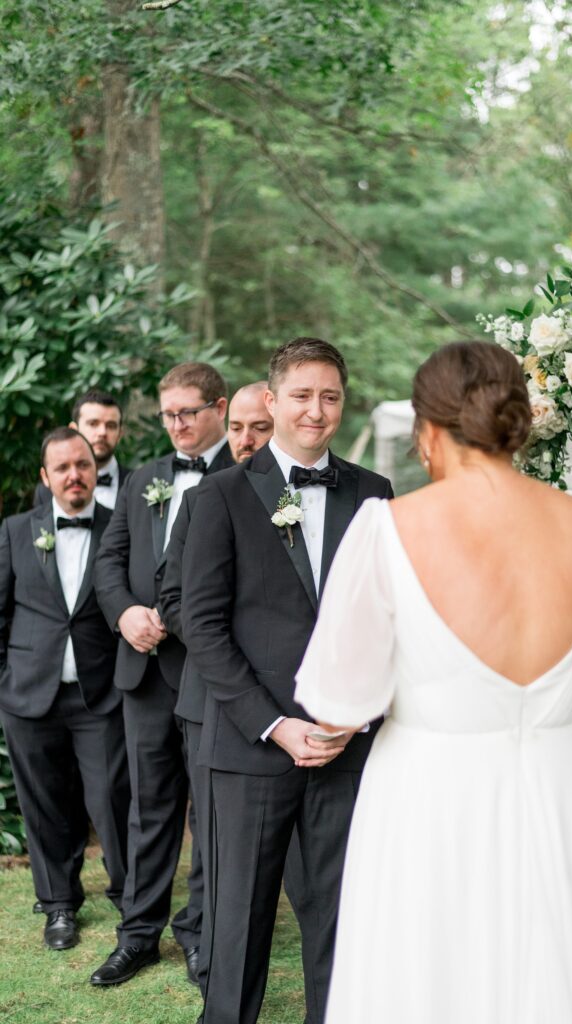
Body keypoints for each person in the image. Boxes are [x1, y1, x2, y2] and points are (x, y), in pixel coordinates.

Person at [295, 340, 572, 1024]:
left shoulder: (387, 527)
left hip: (433, 793)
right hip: (561, 784)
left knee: (434, 979)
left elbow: (340, 701)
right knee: (560, 977)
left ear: (428, 432)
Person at [181, 337, 393, 1024]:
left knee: (340, 923)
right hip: (249, 749)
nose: (316, 410)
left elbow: (385, 618)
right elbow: (203, 627)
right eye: (302, 395)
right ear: (271, 401)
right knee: (237, 926)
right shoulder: (219, 496)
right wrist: (275, 724)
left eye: (330, 396)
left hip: (346, 748)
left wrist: (354, 716)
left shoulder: (374, 494)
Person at [91, 363, 234, 987]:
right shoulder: (145, 479)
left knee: (208, 815)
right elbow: (109, 561)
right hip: (142, 673)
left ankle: (201, 934)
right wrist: (124, 614)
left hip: (208, 675)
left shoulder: (245, 476)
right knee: (148, 809)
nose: (176, 425)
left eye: (188, 412)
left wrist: (181, 621)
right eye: (168, 414)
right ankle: (138, 936)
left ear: (219, 408)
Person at [158, 380, 274, 996]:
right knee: (216, 841)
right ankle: (206, 946)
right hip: (210, 701)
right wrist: (216, 638)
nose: (247, 440)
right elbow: (172, 596)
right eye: (238, 429)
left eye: (259, 428)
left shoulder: (308, 498)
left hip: (298, 706)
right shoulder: (206, 498)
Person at [0, 427, 129, 951]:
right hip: (30, 695)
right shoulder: (14, 531)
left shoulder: (119, 526)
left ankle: (131, 898)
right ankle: (58, 904)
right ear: (45, 476)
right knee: (45, 805)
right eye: (62, 468)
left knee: (113, 802)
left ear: (94, 468)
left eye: (82, 464)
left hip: (101, 696)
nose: (74, 475)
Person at [34, 390, 129, 509]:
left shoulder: (139, 483)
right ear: (74, 429)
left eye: (111, 426)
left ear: (120, 434)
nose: (102, 432)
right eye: (93, 424)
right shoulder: (45, 491)